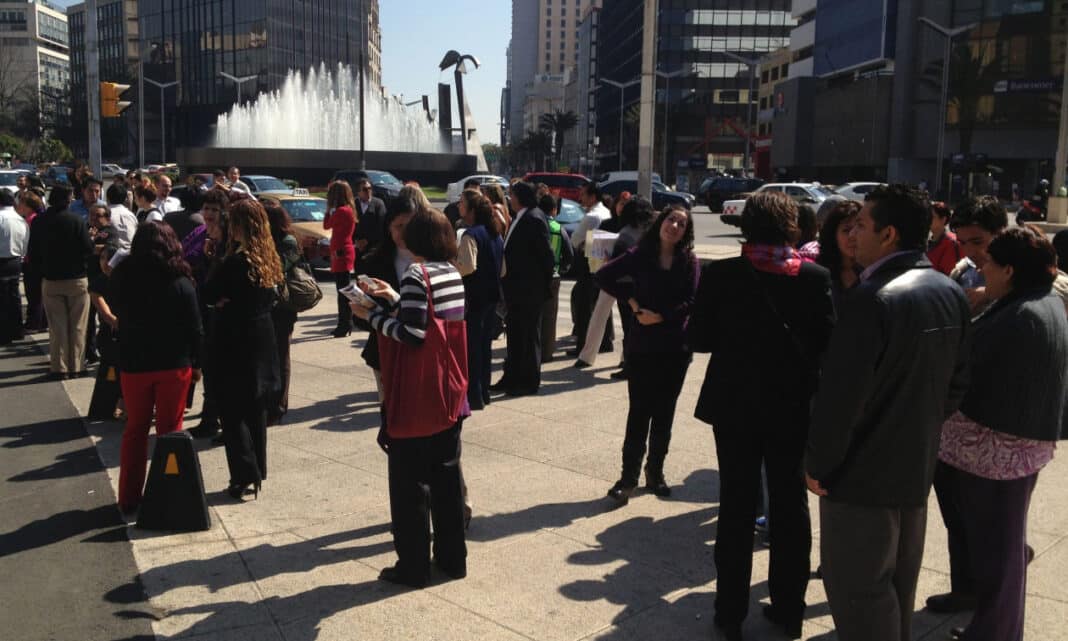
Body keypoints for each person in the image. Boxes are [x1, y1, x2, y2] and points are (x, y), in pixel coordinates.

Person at [805, 184, 970, 641]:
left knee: (860, 591)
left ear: (889, 234)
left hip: (859, 477)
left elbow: (841, 400)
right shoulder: (948, 289)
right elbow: (957, 384)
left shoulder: (871, 298)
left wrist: (818, 464)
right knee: (899, 583)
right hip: (914, 467)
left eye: (861, 225)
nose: (852, 234)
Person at [688, 192, 834, 640]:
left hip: (734, 404)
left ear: (745, 226)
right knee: (790, 505)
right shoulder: (814, 277)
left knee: (736, 504)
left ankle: (729, 613)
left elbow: (699, 338)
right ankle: (789, 609)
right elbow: (827, 345)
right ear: (792, 227)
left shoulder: (722, 275)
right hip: (791, 405)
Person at [934, 227, 1067, 641]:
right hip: (1008, 452)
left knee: (998, 556)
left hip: (997, 456)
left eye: (989, 263)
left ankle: (995, 632)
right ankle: (991, 625)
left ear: (1009, 270)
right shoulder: (1037, 302)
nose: (982, 270)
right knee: (999, 552)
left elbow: (973, 380)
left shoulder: (1022, 316)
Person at [350, 208, 469, 588]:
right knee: (446, 480)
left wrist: (371, 317)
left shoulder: (417, 274)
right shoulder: (451, 272)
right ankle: (453, 559)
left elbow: (414, 335)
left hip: (418, 394)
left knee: (410, 486)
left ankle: (413, 566)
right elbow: (432, 322)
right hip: (449, 390)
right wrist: (394, 298)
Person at [596, 204, 699, 505]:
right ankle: (627, 479)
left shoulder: (689, 261)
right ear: (660, 222)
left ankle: (655, 473)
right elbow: (603, 276)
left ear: (686, 232)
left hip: (675, 348)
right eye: (671, 220)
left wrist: (662, 316)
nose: (674, 226)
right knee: (639, 414)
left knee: (664, 414)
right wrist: (632, 303)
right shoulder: (640, 255)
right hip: (642, 347)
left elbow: (692, 300)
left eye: (681, 224)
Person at [110, 222, 203, 516]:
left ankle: (129, 496)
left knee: (135, 430)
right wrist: (197, 364)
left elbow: (117, 312)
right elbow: (195, 328)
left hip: (134, 364)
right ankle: (168, 495)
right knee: (170, 431)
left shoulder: (123, 276)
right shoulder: (181, 281)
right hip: (173, 365)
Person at [201, 199, 282, 500]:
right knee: (254, 409)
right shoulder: (267, 257)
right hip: (261, 336)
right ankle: (257, 468)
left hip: (234, 339)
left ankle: (244, 473)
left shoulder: (235, 262)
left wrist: (215, 266)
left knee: (232, 411)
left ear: (238, 226)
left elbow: (209, 293)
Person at [574, 196, 656, 371]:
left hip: (615, 277)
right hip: (630, 281)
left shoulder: (626, 229)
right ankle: (623, 358)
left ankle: (590, 356)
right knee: (625, 321)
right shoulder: (648, 230)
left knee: (603, 316)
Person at [491, 181, 554, 396]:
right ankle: (511, 377)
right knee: (515, 336)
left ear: (521, 197)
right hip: (515, 290)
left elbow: (546, 256)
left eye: (512, 195)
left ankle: (528, 381)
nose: (510, 199)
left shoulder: (534, 218)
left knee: (528, 337)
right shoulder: (520, 216)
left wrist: (541, 285)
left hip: (529, 291)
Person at [30, 184, 94, 380]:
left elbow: (33, 252)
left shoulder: (39, 221)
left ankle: (60, 367)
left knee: (57, 327)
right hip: (77, 279)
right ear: (68, 199)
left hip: (51, 279)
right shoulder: (77, 220)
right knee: (78, 325)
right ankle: (77, 366)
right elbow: (88, 248)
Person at [455, 190, 504, 410]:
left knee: (473, 347)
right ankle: (484, 391)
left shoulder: (470, 235)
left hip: (474, 297)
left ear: (472, 210)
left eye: (462, 203)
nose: (459, 206)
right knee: (485, 346)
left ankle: (474, 395)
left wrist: (452, 264)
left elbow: (467, 266)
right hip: (492, 296)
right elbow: (503, 269)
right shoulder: (496, 235)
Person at [264, 203, 301, 425]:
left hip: (284, 307)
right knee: (271, 356)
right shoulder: (267, 240)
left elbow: (279, 268)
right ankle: (270, 400)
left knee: (281, 354)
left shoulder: (288, 241)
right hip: (269, 307)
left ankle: (280, 404)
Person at [569, 182, 613, 355]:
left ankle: (582, 344)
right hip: (603, 260)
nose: (580, 198)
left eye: (583, 194)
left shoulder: (592, 216)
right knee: (601, 302)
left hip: (588, 261)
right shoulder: (606, 212)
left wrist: (582, 244)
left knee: (583, 305)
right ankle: (605, 341)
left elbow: (575, 240)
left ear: (593, 197)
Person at [538, 193, 574, 363]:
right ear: (554, 210)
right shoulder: (558, 228)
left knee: (534, 316)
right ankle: (546, 353)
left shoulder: (535, 224)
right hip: (553, 276)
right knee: (549, 317)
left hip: (535, 277)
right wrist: (562, 269)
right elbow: (569, 255)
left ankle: (533, 351)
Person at [324, 180, 358, 337]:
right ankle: (345, 323)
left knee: (342, 291)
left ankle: (344, 324)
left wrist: (328, 210)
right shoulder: (347, 210)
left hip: (341, 252)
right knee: (343, 289)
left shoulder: (341, 211)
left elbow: (326, 225)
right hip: (343, 250)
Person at [814, 199, 862, 308]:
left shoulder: (875, 271)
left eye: (859, 228)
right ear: (833, 235)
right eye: (846, 230)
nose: (853, 236)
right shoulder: (820, 273)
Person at [0, 189, 29, 345]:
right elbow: (25, 242)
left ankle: (4, 332)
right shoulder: (21, 220)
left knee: (3, 298)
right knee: (14, 295)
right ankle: (17, 330)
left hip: (2, 260)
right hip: (16, 261)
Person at [16, 191, 47, 332]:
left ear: (27, 206)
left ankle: (34, 322)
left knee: (33, 294)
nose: (18, 206)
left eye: (21, 203)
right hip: (38, 261)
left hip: (31, 261)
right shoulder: (37, 218)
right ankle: (41, 321)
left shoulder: (30, 220)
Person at [353, 178, 388, 262]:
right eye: (365, 189)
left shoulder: (378, 204)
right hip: (356, 248)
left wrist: (366, 241)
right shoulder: (353, 204)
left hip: (374, 248)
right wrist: (356, 241)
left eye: (370, 188)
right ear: (358, 192)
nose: (368, 191)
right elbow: (350, 225)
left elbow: (382, 225)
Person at [927, 201, 960, 276]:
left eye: (932, 217)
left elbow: (951, 274)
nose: (928, 219)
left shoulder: (951, 243)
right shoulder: (927, 242)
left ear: (943, 219)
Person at [105, 184, 139, 249]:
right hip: (130, 251)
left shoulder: (105, 214)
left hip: (112, 251)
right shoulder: (131, 216)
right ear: (125, 199)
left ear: (107, 198)